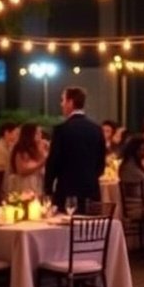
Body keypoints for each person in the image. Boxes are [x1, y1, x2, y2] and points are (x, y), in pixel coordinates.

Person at [44, 85, 106, 213]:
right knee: (90, 230)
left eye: (63, 100)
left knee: (65, 230)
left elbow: (53, 161)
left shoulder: (61, 129)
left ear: (70, 103)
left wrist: (48, 189)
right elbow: (101, 161)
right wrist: (90, 176)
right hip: (91, 190)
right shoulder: (96, 129)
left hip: (67, 191)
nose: (61, 104)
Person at [8, 122, 49, 196]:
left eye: (40, 133)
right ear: (29, 134)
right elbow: (22, 170)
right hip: (26, 185)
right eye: (37, 133)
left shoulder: (38, 147)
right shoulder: (21, 149)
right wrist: (42, 162)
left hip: (38, 183)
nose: (40, 135)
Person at [0, 121, 19, 191]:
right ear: (7, 133)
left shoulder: (9, 146)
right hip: (3, 184)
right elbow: (1, 169)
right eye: (15, 133)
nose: (17, 136)